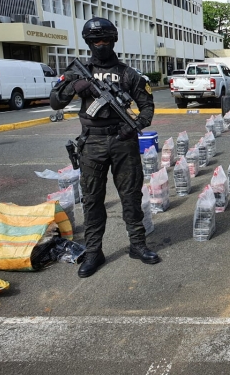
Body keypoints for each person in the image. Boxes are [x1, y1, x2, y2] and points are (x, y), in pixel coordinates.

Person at [50, 17, 159, 278]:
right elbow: (55, 101)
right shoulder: (78, 72)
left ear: (113, 40)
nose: (101, 44)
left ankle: (137, 245)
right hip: (92, 143)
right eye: (96, 40)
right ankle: (93, 252)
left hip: (123, 142)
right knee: (92, 200)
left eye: (105, 40)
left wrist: (132, 126)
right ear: (88, 42)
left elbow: (147, 107)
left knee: (131, 195)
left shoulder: (128, 74)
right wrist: (75, 87)